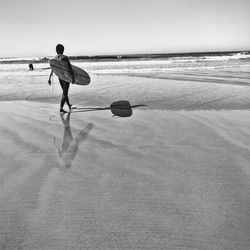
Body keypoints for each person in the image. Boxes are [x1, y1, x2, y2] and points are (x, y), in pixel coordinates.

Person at [48, 44, 75, 113]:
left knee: (64, 92)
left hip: (60, 77)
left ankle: (69, 105)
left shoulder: (55, 58)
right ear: (62, 50)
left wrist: (49, 78)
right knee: (65, 93)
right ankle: (61, 108)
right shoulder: (65, 57)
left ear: (56, 50)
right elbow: (69, 68)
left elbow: (53, 69)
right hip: (66, 77)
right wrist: (73, 77)